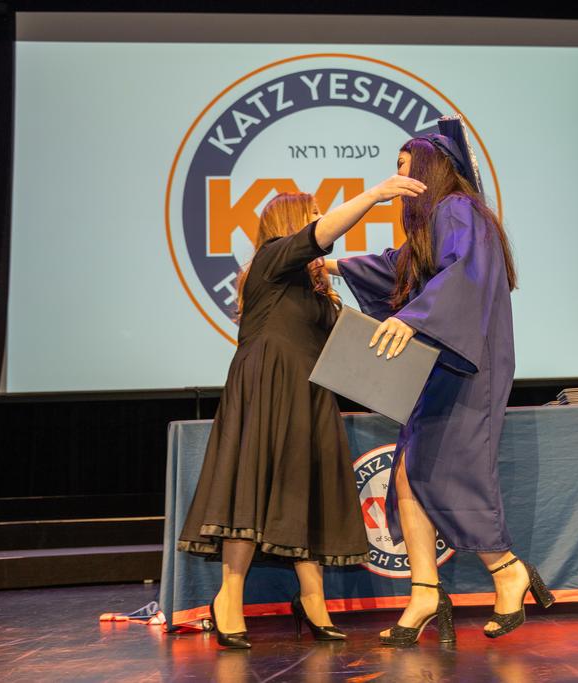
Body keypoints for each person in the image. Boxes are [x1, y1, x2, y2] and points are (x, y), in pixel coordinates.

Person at [327, 120, 554, 645]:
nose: (396, 177)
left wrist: (412, 319)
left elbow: (462, 276)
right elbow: (401, 267)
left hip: (467, 363)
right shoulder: (435, 222)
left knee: (452, 471)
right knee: (410, 472)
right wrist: (332, 265)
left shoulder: (458, 208)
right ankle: (425, 591)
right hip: (442, 365)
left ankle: (507, 570)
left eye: (402, 166)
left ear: (429, 167)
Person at [177, 176, 427, 649]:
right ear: (292, 224)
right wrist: (374, 195)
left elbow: (355, 342)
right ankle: (228, 599)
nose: (319, 221)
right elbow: (319, 236)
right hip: (267, 389)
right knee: (250, 492)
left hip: (308, 395)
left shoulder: (314, 291)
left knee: (305, 493)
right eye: (312, 215)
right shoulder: (271, 259)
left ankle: (313, 600)